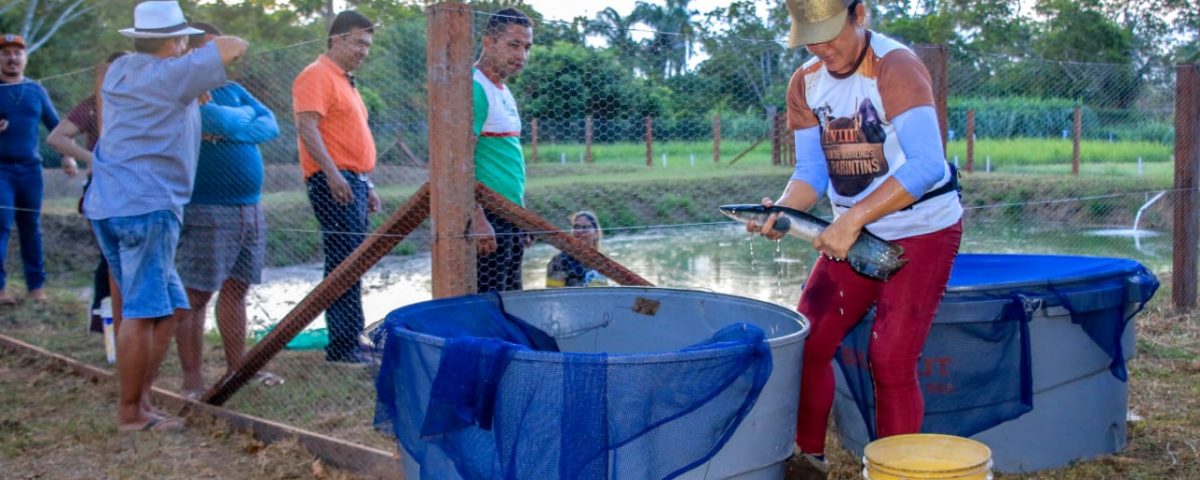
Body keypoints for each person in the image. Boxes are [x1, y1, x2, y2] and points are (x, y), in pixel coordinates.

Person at [751, 1, 963, 478]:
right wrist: (784, 211)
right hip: (849, 231)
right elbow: (809, 172)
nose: (822, 47)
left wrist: (851, 220)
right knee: (809, 341)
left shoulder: (895, 66)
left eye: (830, 32)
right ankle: (808, 459)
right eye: (810, 37)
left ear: (859, 14)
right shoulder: (805, 81)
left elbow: (927, 163)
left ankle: (897, 472)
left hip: (921, 228)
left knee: (890, 359)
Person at [84, 0, 247, 432]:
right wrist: (200, 54)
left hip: (109, 203)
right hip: (148, 206)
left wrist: (191, 78)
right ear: (175, 40)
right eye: (184, 39)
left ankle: (141, 402)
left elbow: (167, 91)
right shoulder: (173, 72)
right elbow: (233, 45)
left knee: (171, 308)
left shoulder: (122, 71)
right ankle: (131, 413)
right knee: (142, 311)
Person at [174, 22, 280, 396]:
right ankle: (193, 381)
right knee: (195, 294)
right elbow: (217, 119)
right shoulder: (182, 93)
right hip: (206, 208)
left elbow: (271, 125)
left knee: (237, 289)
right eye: (205, 51)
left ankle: (239, 370)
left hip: (248, 208)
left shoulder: (233, 90)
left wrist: (231, 128)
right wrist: (233, 123)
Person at [292, 10, 380, 364]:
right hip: (334, 181)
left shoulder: (345, 81)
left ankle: (352, 338)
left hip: (353, 181)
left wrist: (365, 181)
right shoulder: (316, 75)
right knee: (343, 262)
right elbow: (308, 127)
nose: (363, 50)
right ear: (337, 39)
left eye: (368, 45)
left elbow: (348, 136)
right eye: (358, 42)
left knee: (353, 262)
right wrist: (332, 174)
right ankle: (342, 346)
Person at [47, 51, 127, 331]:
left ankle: (131, 319)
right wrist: (93, 159)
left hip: (136, 185)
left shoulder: (144, 103)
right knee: (109, 253)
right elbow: (56, 137)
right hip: (102, 186)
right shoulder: (93, 105)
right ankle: (101, 315)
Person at [472, 8, 534, 293]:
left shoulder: (504, 91)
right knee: (490, 304)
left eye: (526, 47)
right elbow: (458, 163)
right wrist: (477, 217)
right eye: (513, 45)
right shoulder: (474, 88)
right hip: (489, 219)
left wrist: (522, 215)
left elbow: (507, 160)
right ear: (488, 42)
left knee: (512, 298)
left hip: (510, 216)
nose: (521, 55)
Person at [0, 33, 60, 305]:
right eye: (5, 53)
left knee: (31, 227)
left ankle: (36, 288)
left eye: (17, 53)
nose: (12, 58)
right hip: (1, 170)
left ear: (25, 58)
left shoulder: (36, 90)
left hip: (30, 170)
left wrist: (68, 158)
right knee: (1, 226)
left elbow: (56, 126)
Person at [545, 211, 608, 288]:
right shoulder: (560, 260)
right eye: (576, 227)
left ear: (596, 233)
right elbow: (553, 291)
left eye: (585, 227)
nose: (579, 231)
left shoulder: (601, 261)